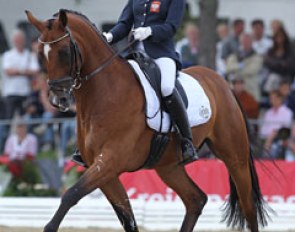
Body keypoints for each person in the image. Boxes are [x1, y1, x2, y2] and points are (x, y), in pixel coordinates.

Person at [74, 0, 198, 165]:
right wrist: (109, 36)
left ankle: (186, 141)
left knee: (167, 87)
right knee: (109, 84)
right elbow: (124, 23)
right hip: (135, 55)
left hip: (161, 54)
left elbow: (171, 27)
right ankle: (87, 144)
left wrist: (150, 31)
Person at [1, 29, 40, 119]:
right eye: (17, 40)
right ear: (13, 41)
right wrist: (24, 71)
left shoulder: (30, 55)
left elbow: (35, 71)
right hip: (11, 92)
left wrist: (17, 71)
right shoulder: (8, 55)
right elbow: (8, 72)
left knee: (26, 118)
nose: (19, 42)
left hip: (26, 92)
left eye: (20, 39)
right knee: (8, 118)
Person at [226, 33, 263, 101]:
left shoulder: (257, 57)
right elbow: (228, 68)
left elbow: (251, 70)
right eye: (244, 41)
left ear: (251, 42)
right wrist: (240, 66)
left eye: (248, 41)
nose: (246, 43)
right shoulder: (234, 56)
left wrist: (235, 71)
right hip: (234, 91)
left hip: (250, 90)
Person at [263, 27, 295, 93]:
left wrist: (276, 64)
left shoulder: (290, 50)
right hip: (272, 76)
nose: (279, 39)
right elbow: (267, 62)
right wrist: (280, 64)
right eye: (277, 37)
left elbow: (290, 65)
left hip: (286, 77)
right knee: (273, 77)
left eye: (281, 37)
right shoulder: (271, 51)